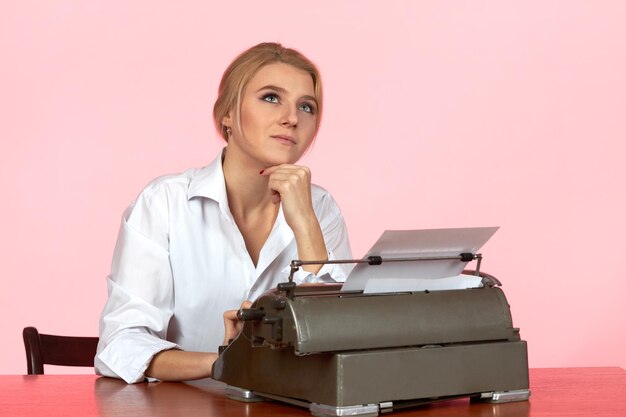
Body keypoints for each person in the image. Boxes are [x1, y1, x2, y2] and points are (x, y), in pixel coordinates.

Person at [95, 42, 353, 384]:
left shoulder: (321, 209)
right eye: (271, 97)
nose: (291, 118)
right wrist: (224, 361)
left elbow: (345, 341)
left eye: (306, 106)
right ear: (227, 114)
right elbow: (121, 343)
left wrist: (305, 223)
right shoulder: (164, 203)